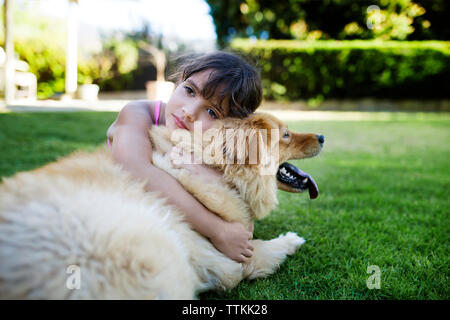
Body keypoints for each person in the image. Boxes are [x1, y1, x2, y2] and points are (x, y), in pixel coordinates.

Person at [106, 51, 262, 263]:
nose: (189, 111)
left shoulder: (211, 142)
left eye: (212, 112)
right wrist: (219, 230)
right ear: (180, 80)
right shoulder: (138, 113)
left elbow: (239, 198)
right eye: (189, 91)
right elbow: (134, 169)